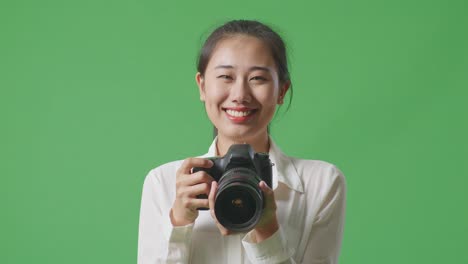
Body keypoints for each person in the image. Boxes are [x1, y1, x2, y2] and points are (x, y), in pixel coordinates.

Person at [138, 20, 346, 264]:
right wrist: (180, 223)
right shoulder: (164, 183)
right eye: (226, 76)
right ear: (202, 86)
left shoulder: (321, 183)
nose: (240, 95)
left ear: (282, 91)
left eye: (258, 78)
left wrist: (267, 232)